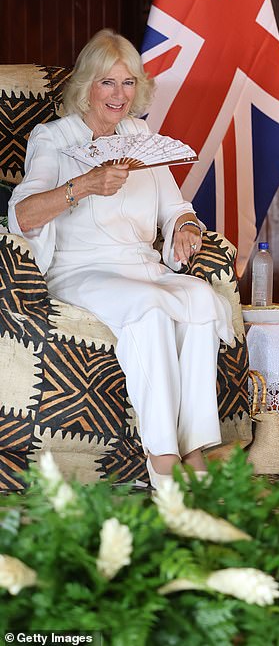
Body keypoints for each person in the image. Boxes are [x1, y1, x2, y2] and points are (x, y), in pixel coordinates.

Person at [8, 28, 234, 488]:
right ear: (86, 86)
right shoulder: (52, 138)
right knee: (149, 309)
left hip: (141, 266)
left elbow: (176, 207)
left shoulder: (140, 134)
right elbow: (23, 216)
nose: (119, 94)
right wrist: (85, 185)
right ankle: (162, 454)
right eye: (107, 83)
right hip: (82, 268)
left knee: (200, 299)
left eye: (128, 83)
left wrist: (185, 228)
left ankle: (197, 447)